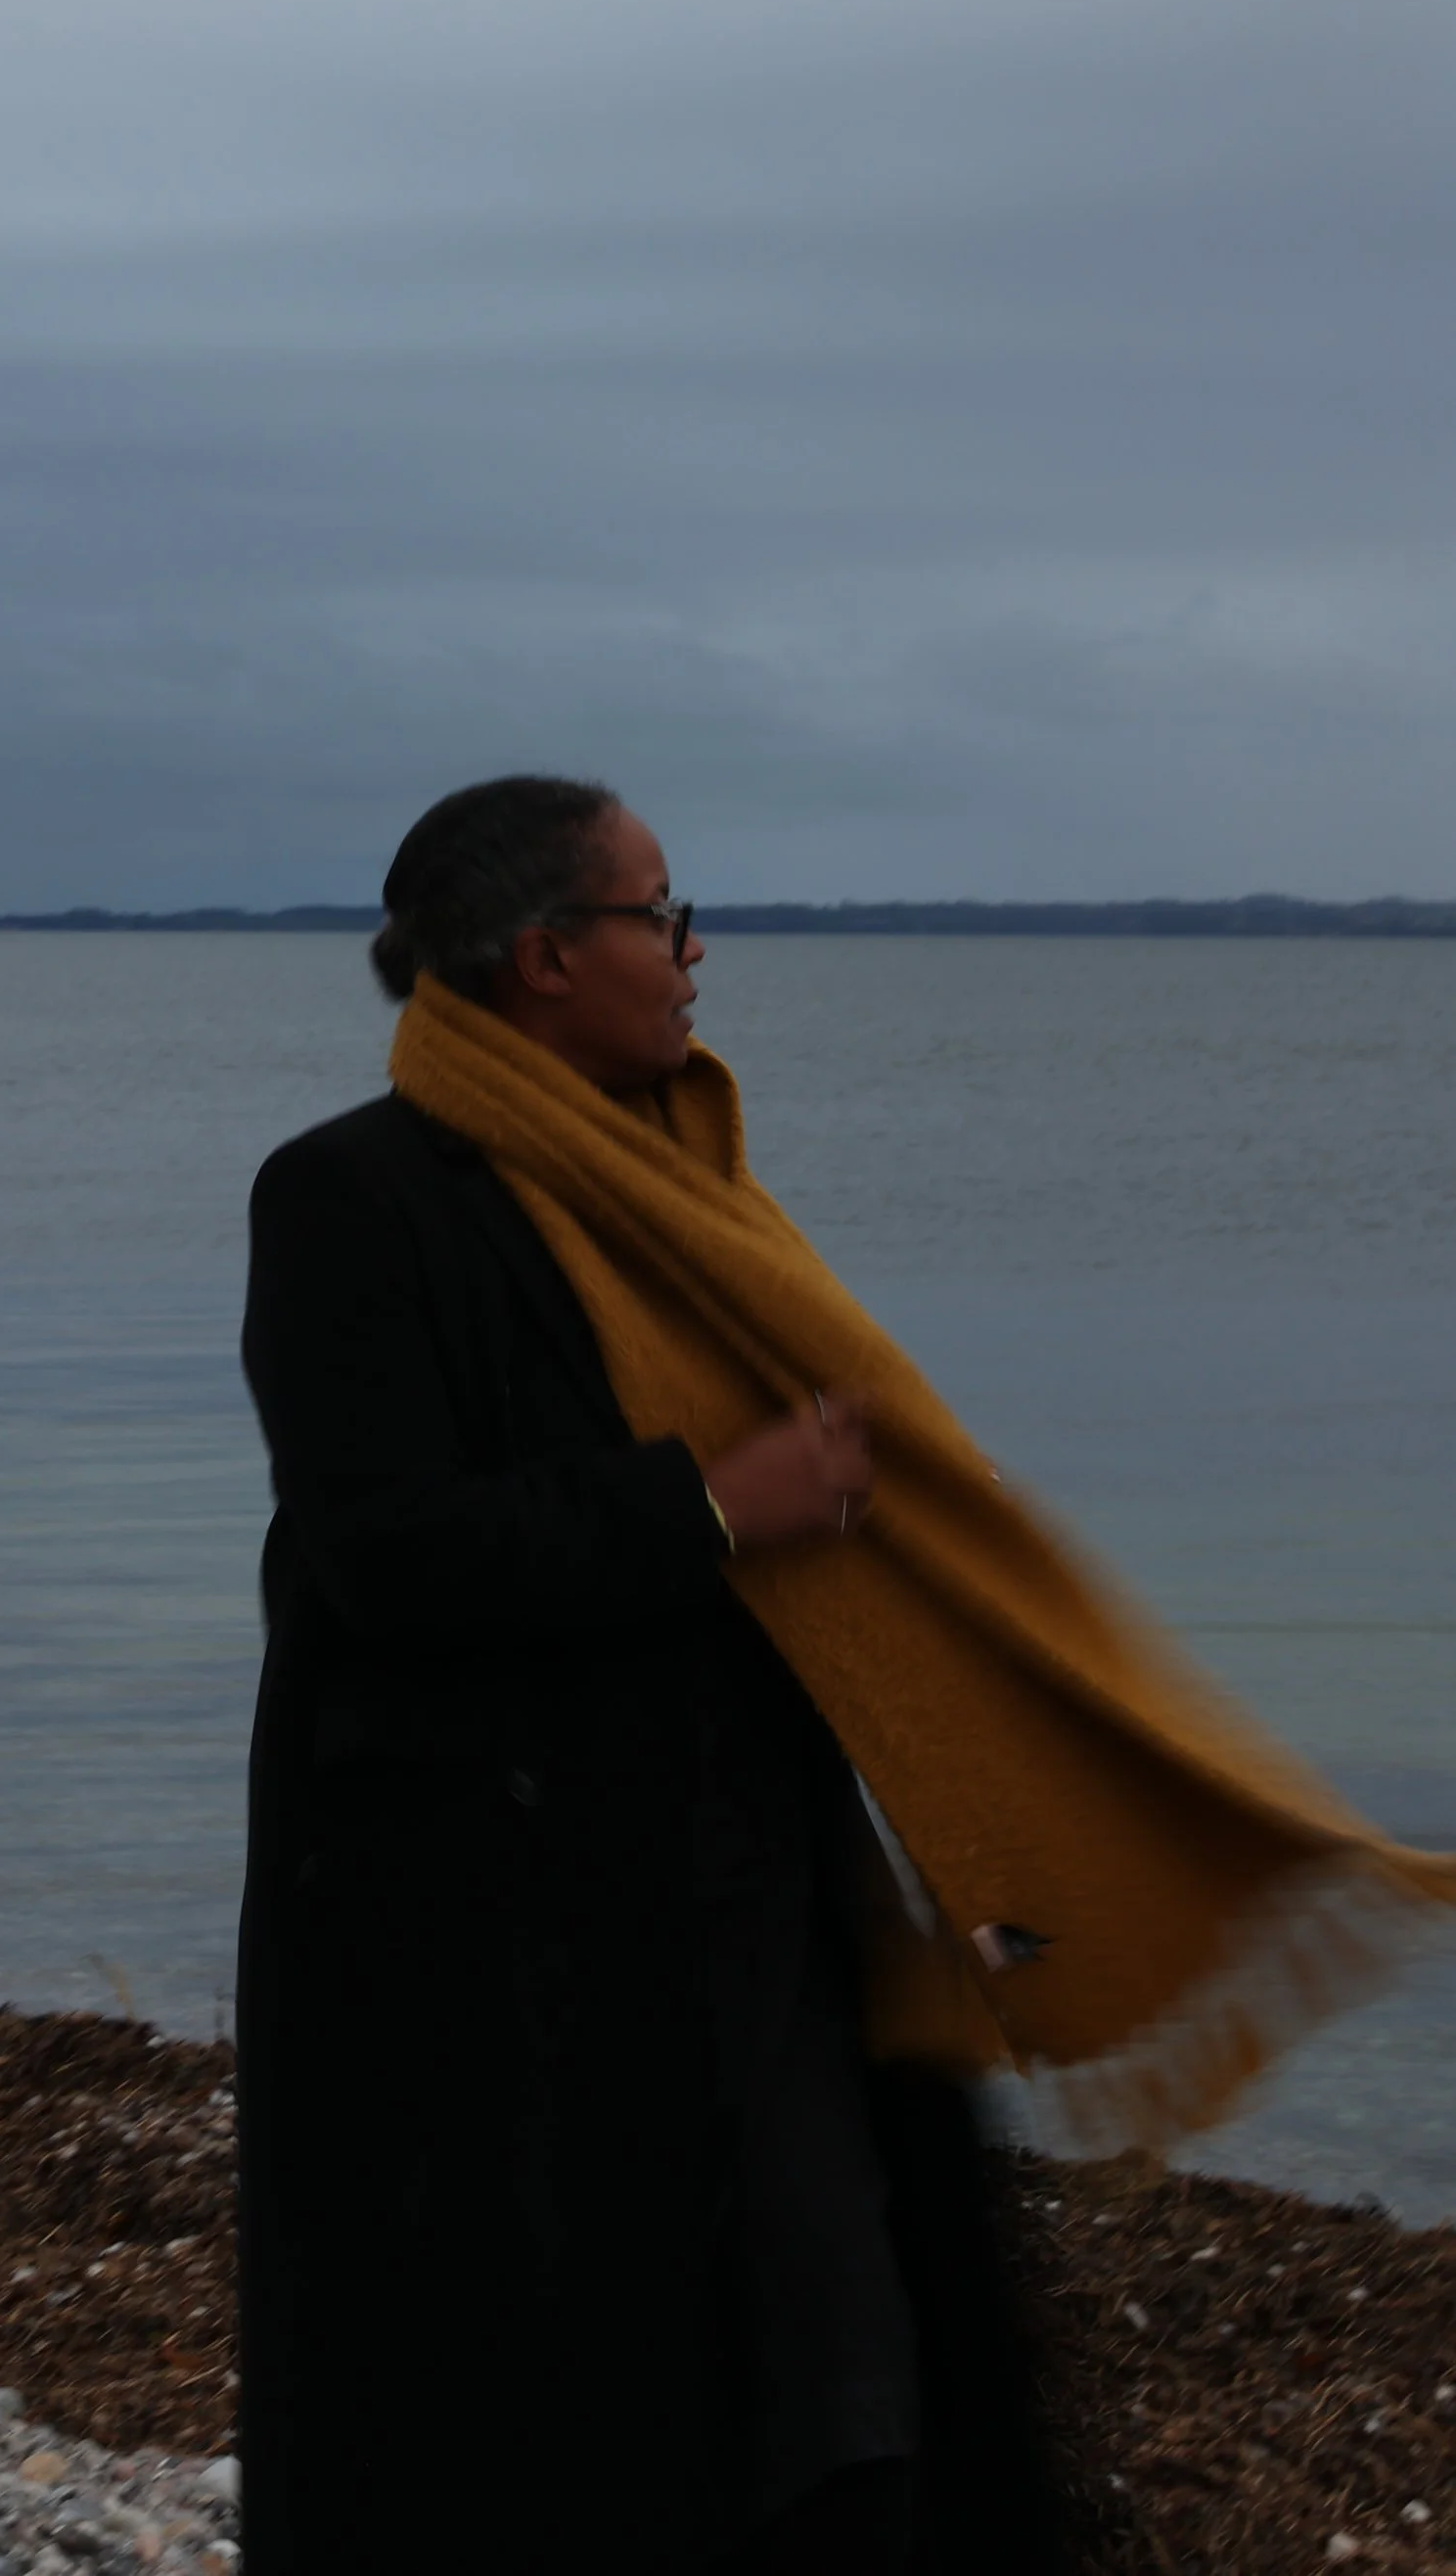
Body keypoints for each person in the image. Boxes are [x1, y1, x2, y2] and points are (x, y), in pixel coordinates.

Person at [234, 773, 1060, 2576]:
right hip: (494, 1945)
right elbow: (383, 1557)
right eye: (665, 913)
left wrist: (969, 1844)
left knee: (859, 2398)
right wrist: (705, 1499)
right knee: (566, 2432)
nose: (696, 956)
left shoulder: (693, 1202)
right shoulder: (349, 1198)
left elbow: (859, 1582)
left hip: (751, 1896)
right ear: (545, 956)